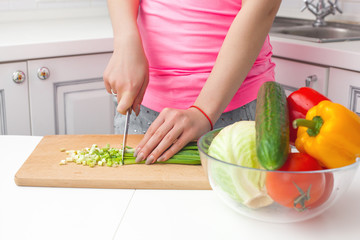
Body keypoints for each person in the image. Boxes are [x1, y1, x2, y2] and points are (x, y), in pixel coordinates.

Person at [103, 0, 282, 165]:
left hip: (235, 115)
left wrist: (203, 111)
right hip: (140, 105)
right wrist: (125, 41)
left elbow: (264, 8)